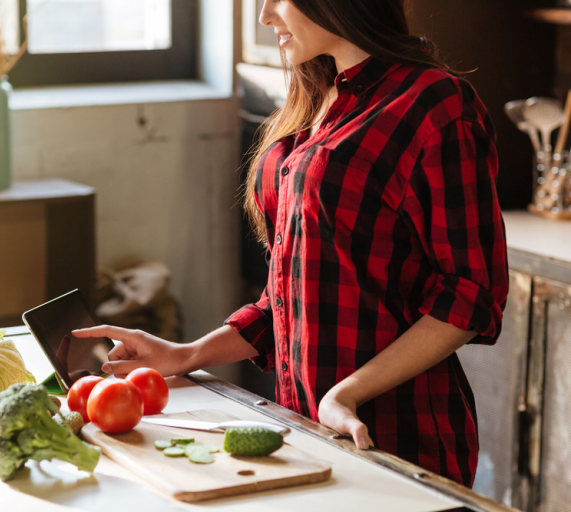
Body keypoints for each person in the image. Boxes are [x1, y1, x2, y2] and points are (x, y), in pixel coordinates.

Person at [74, 0, 509, 488]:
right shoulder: (318, 97)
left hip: (397, 437)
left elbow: (471, 295)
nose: (265, 15)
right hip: (305, 428)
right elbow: (291, 296)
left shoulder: (435, 104)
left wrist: (346, 393)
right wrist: (187, 354)